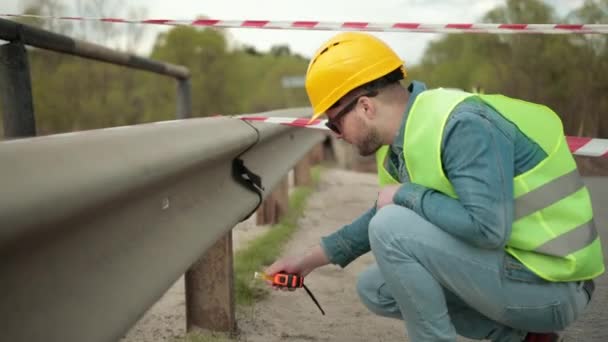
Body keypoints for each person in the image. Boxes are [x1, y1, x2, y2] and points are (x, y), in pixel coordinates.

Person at [265, 32, 604, 342]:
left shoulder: (461, 127)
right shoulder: (412, 134)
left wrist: (405, 194)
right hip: (519, 272)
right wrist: (306, 262)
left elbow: (487, 229)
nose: (336, 136)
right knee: (377, 287)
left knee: (392, 226)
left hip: (554, 285)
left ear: (365, 107)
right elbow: (379, 216)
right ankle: (525, 338)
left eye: (334, 123)